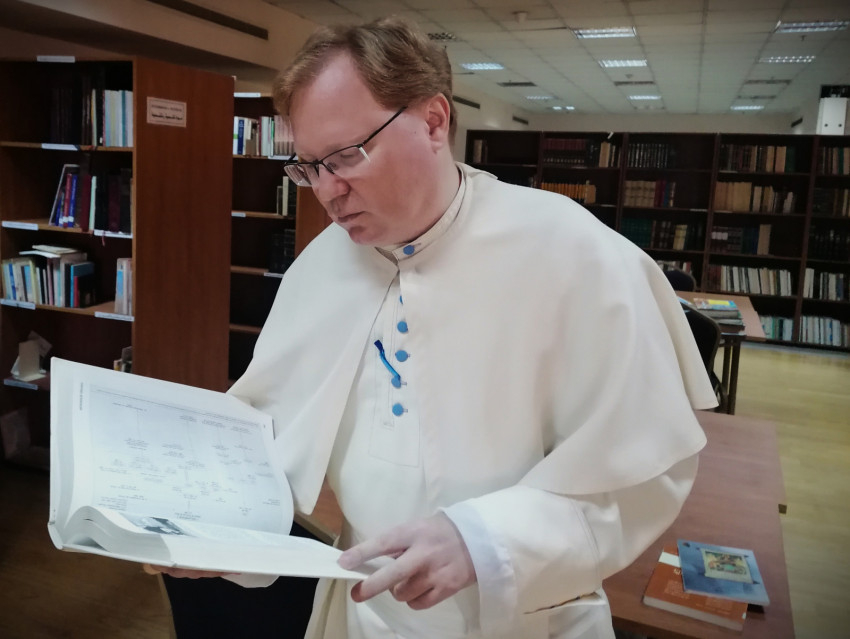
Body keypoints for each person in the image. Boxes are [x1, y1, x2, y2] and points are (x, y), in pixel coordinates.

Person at [156, 16, 717, 639]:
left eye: (346, 156)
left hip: (524, 615)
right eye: (309, 167)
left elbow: (640, 472)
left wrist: (486, 540)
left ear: (433, 121)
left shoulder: (574, 253)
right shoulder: (321, 266)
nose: (328, 192)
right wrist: (216, 525)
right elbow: (267, 434)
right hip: (364, 610)